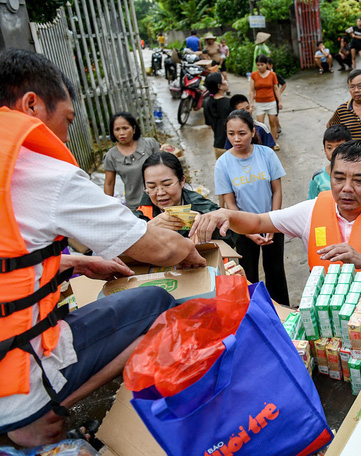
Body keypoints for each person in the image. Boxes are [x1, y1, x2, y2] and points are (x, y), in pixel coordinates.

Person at [0, 48, 204, 447]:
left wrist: (73, 260)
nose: (62, 137)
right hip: (13, 371)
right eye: (67, 121)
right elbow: (158, 250)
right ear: (31, 105)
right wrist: (186, 250)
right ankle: (37, 412)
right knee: (159, 304)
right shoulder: (41, 172)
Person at [192, 140, 361, 318]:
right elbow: (257, 223)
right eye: (339, 178)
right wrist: (226, 214)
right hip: (330, 325)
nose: (346, 189)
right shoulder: (312, 211)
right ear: (329, 176)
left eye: (359, 181)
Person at [215, 110, 289, 306]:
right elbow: (230, 203)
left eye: (242, 133)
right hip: (242, 227)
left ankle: (283, 311)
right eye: (231, 134)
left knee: (275, 271)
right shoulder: (222, 164)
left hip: (272, 222)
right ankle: (255, 313)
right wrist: (247, 232)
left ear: (253, 131)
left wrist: (273, 223)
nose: (236, 139)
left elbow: (277, 191)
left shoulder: (267, 154)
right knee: (248, 273)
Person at [134, 152, 236, 247]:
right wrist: (148, 228)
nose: (160, 193)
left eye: (167, 184)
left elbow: (233, 237)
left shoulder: (201, 207)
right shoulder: (141, 213)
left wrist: (205, 226)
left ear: (182, 181)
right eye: (152, 187)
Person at [103, 112, 161, 209]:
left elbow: (164, 167)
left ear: (134, 129)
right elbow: (109, 183)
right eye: (117, 129)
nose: (121, 133)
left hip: (160, 198)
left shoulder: (150, 145)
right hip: (135, 204)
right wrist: (108, 207)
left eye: (125, 128)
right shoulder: (111, 156)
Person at [309, 124, 352, 199]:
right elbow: (310, 204)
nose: (334, 152)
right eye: (329, 148)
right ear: (324, 149)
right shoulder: (318, 178)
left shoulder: (357, 176)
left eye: (339, 147)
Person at [250, 54, 282, 150]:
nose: (260, 67)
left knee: (273, 123)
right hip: (259, 103)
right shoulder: (254, 75)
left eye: (262, 65)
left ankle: (273, 142)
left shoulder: (272, 75)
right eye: (258, 65)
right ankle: (262, 144)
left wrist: (279, 101)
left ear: (266, 64)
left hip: (271, 101)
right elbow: (252, 90)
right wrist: (251, 103)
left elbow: (276, 89)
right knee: (260, 124)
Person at [203, 72, 231, 160]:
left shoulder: (207, 103)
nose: (226, 81)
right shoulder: (229, 103)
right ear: (219, 86)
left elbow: (210, 124)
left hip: (218, 145)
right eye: (224, 80)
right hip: (232, 146)